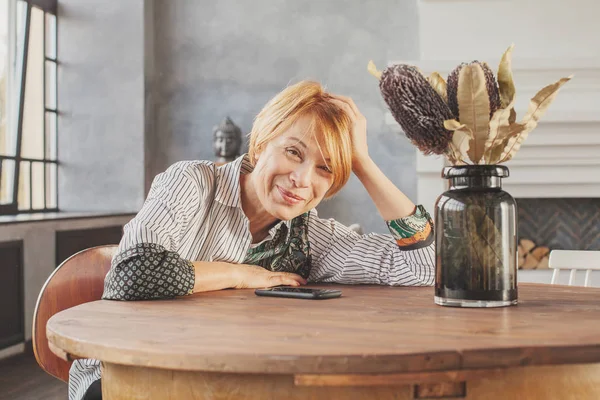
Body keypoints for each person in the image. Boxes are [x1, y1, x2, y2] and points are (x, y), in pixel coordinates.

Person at [68, 80, 435, 400]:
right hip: (128, 376)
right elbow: (132, 274)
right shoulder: (192, 183)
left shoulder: (309, 237)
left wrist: (362, 162)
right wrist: (241, 274)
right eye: (293, 152)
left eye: (325, 168)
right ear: (260, 144)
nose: (302, 179)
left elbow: (423, 266)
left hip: (224, 382)